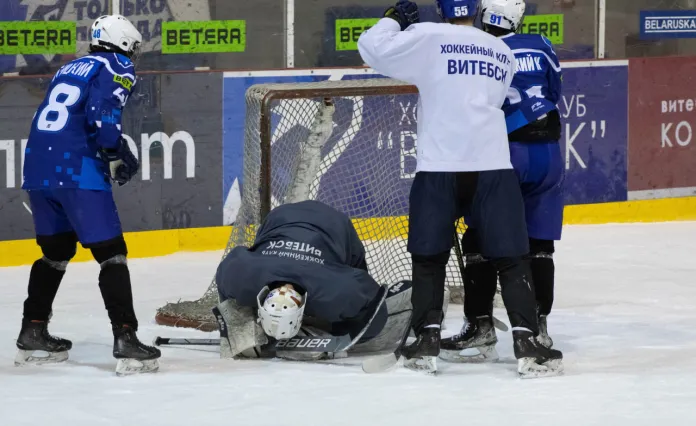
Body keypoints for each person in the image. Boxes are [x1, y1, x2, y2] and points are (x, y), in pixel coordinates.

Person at [358, 0, 563, 377]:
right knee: (512, 256)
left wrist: (393, 20)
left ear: (441, 8)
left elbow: (371, 47)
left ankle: (426, 342)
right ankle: (528, 343)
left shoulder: (427, 36)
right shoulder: (500, 49)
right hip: (492, 163)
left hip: (441, 165)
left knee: (429, 257)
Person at [16, 14, 160, 376]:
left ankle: (33, 329)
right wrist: (116, 152)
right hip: (75, 170)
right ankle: (126, 338)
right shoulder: (117, 64)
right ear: (124, 43)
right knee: (112, 254)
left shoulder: (72, 66)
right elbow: (102, 113)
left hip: (37, 168)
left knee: (55, 252)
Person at [440, 0, 564, 363]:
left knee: (479, 238)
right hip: (550, 155)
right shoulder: (540, 45)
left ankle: (479, 327)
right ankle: (539, 328)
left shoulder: (482, 49)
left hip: (504, 155)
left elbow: (471, 105)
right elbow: (553, 93)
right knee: (540, 245)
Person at [214, 200, 416, 360]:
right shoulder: (242, 277)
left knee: (352, 297)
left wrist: (333, 329)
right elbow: (226, 271)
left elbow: (374, 308)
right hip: (279, 218)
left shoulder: (334, 291)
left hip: (334, 226)